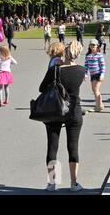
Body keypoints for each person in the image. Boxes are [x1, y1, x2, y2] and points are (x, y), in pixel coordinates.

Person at [39, 41, 85, 192]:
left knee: (52, 146)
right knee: (73, 146)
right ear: (78, 54)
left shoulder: (55, 69)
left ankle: (53, 183)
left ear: (64, 51)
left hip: (55, 110)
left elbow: (41, 88)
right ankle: (74, 183)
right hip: (73, 110)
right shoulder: (81, 70)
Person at [84, 39, 106, 112]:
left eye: (94, 45)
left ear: (97, 46)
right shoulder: (88, 55)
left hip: (98, 74)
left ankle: (98, 106)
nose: (92, 46)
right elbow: (86, 65)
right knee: (94, 90)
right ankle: (100, 104)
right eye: (91, 45)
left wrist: (102, 74)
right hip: (92, 75)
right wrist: (85, 74)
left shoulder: (99, 55)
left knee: (96, 90)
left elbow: (102, 65)